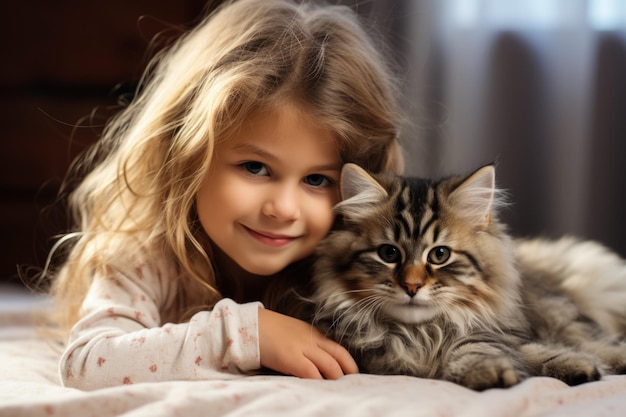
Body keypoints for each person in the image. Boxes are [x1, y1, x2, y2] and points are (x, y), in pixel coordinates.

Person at [44, 0, 405, 390]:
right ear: (185, 155)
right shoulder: (145, 254)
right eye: (255, 168)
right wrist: (247, 334)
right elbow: (86, 365)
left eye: (317, 180)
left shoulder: (356, 269)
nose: (283, 209)